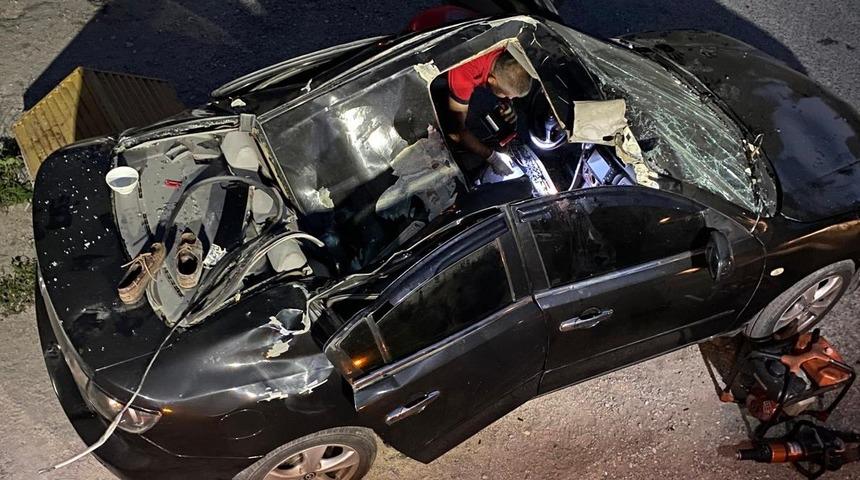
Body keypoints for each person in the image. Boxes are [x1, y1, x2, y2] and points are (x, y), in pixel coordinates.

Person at [446, 48, 533, 178]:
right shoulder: (464, 77)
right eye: (506, 94)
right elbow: (457, 132)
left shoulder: (506, 49)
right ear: (492, 80)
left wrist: (508, 104)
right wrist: (492, 157)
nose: (509, 99)